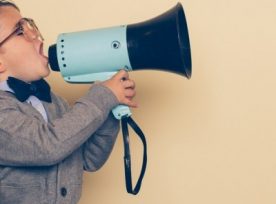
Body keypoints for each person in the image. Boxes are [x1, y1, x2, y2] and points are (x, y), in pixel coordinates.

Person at [0, 1, 138, 203]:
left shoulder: (55, 102)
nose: (35, 34)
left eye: (31, 25)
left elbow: (89, 159)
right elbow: (47, 146)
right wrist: (101, 97)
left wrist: (111, 104)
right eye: (21, 31)